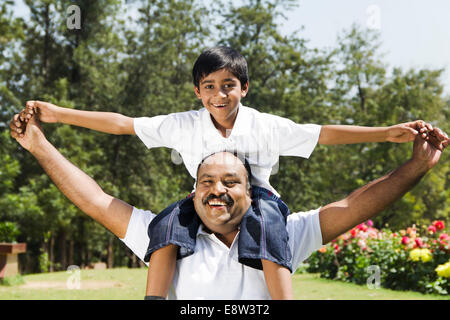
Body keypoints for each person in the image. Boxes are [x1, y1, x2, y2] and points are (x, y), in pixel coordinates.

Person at [17, 46, 433, 299]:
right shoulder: (181, 124)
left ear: (244, 88)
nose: (220, 94)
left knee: (271, 226)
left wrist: (387, 134)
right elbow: (122, 123)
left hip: (262, 201)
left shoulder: (267, 126)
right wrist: (59, 115)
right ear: (197, 92)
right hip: (193, 204)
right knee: (164, 228)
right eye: (210, 86)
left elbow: (323, 135)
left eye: (229, 85)